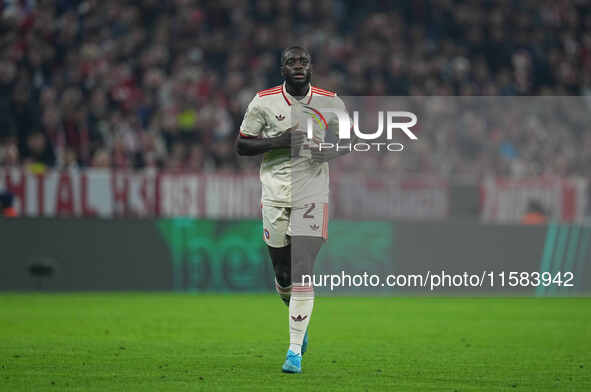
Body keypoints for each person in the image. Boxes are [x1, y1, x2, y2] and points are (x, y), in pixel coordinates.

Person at [235, 46, 347, 373]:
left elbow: (346, 142)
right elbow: (242, 145)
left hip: (312, 194)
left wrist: (324, 151)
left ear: (311, 67)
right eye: (291, 62)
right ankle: (300, 320)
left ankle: (294, 351)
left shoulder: (331, 101)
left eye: (303, 61)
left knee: (301, 269)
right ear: (282, 68)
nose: (298, 66)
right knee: (283, 274)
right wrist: (279, 141)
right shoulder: (263, 101)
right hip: (274, 194)